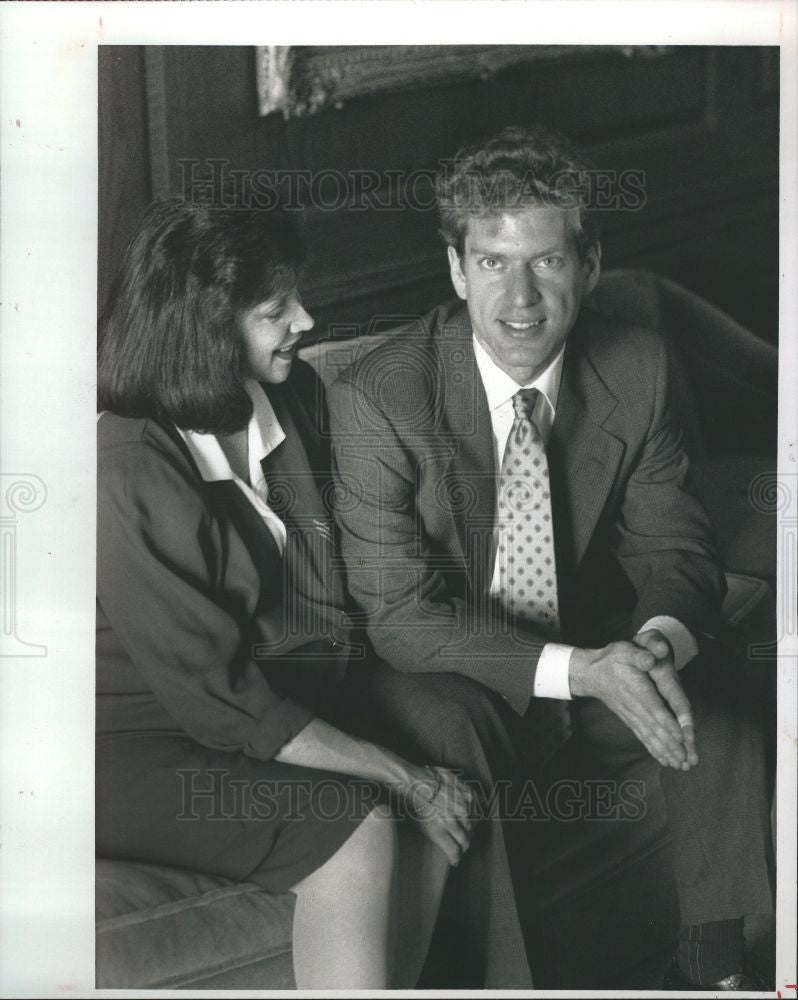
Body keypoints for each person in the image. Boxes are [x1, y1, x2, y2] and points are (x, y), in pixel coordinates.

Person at [327, 126, 774, 989]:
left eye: (548, 261)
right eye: (494, 263)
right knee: (452, 723)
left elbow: (675, 545)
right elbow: (401, 618)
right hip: (445, 670)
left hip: (589, 644)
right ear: (458, 271)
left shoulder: (638, 365)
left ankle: (719, 967)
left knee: (710, 683)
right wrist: (585, 672)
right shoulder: (381, 395)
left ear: (591, 263)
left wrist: (654, 647)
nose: (521, 296)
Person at [95, 193, 475, 989]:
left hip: (260, 707)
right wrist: (398, 774)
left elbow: (341, 581)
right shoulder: (128, 467)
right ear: (205, 331)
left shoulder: (289, 397)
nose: (306, 319)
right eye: (277, 309)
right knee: (361, 822)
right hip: (132, 748)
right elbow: (220, 702)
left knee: (448, 792)